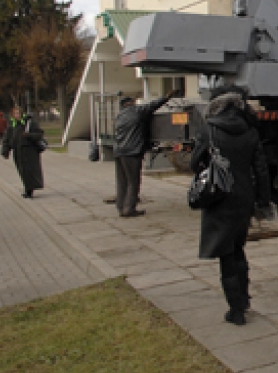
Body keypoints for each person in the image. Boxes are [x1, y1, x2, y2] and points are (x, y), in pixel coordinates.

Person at [190, 90, 270, 326]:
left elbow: (195, 164)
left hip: (219, 196)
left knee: (226, 254)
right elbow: (261, 170)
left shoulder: (209, 130)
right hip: (244, 198)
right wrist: (263, 201)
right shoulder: (251, 131)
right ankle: (243, 299)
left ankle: (236, 309)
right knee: (238, 248)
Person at [114, 91, 178, 217]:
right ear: (131, 103)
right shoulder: (136, 111)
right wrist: (166, 97)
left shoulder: (120, 116)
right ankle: (129, 209)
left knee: (122, 181)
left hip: (119, 151)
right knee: (133, 181)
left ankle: (121, 206)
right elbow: (153, 105)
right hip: (132, 151)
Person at [1, 107, 44, 198]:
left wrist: (29, 135)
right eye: (15, 113)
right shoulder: (12, 126)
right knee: (22, 171)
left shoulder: (29, 123)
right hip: (18, 152)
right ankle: (27, 188)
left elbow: (39, 134)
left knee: (29, 171)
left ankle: (29, 190)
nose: (17, 115)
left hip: (30, 152)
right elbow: (7, 139)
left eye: (18, 113)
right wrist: (5, 151)